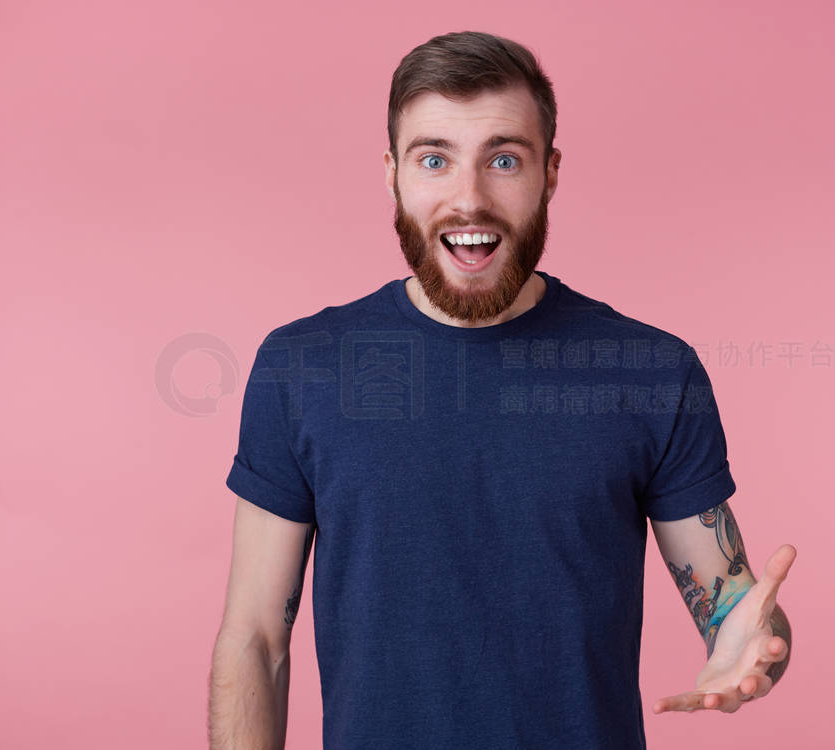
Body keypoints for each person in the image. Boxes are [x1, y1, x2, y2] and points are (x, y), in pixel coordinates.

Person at [209, 30, 795, 750]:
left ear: (550, 173)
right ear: (392, 173)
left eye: (504, 159)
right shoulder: (303, 368)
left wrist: (757, 642)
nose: (469, 199)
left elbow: (733, 604)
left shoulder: (650, 371)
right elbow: (256, 639)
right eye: (434, 160)